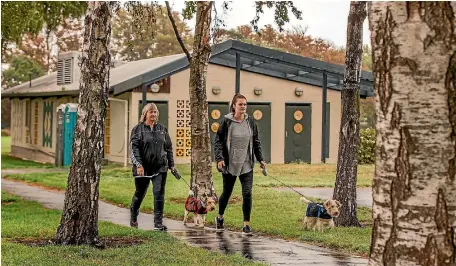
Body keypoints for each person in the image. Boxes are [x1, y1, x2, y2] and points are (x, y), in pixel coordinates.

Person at [214, 93, 266, 235]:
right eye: (240, 104)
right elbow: (218, 141)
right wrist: (219, 159)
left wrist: (260, 159)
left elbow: (256, 141)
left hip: (246, 163)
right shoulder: (226, 121)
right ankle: (220, 217)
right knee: (227, 192)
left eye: (245, 104)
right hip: (230, 163)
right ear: (234, 106)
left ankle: (246, 224)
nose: (243, 107)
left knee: (247, 193)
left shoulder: (250, 121)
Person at [130, 103, 176, 231]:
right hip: (143, 169)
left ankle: (158, 223)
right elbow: (134, 149)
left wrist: (171, 164)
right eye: (151, 112)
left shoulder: (162, 129)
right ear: (145, 114)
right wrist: (139, 165)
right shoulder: (138, 129)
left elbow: (168, 148)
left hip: (160, 168)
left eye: (155, 112)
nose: (154, 114)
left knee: (159, 194)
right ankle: (133, 215)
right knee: (140, 193)